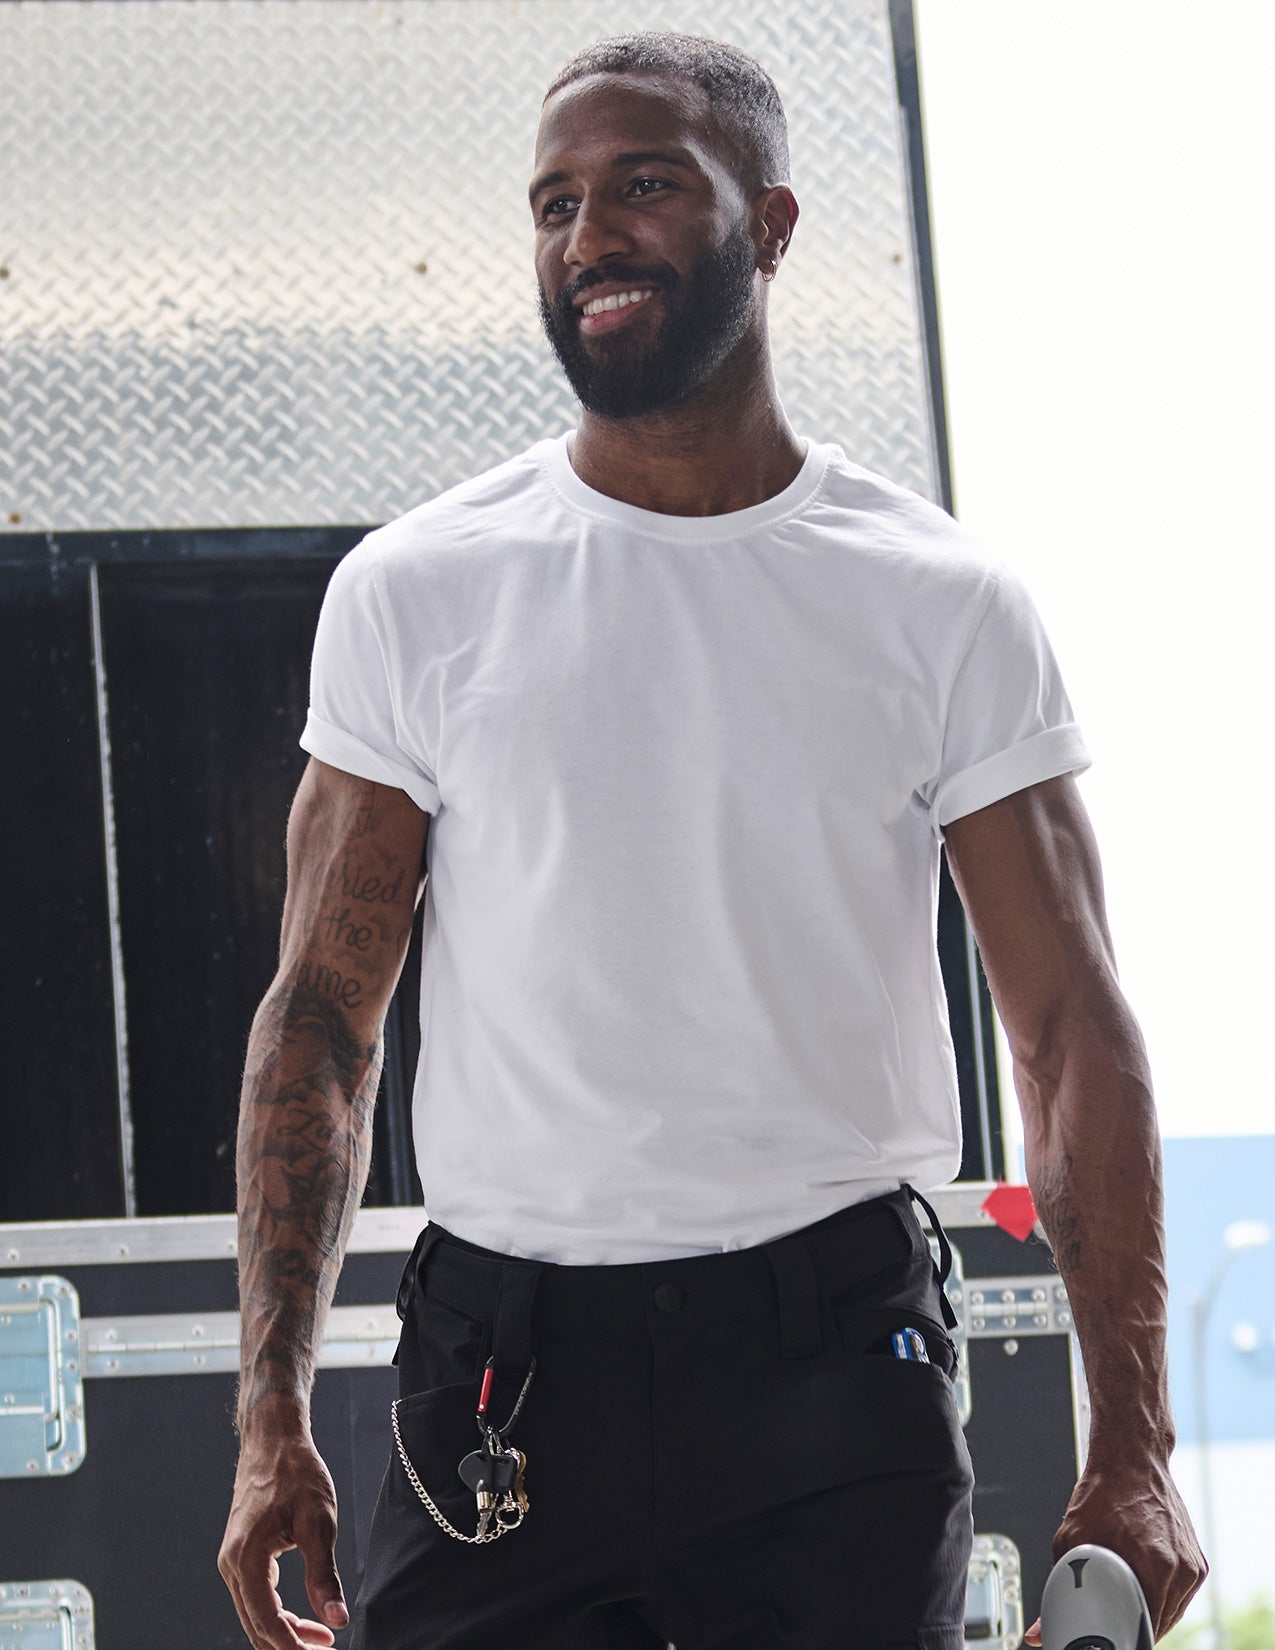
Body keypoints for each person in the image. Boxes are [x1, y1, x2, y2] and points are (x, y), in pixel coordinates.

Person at [218, 30, 1206, 1650]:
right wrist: (268, 1421)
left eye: (644, 186)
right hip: (499, 1366)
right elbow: (321, 1026)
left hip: (833, 1359)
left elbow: (1072, 1032)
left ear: (776, 221)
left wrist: (1141, 1443)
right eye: (553, 201)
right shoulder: (416, 591)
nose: (587, 235)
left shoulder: (937, 599)